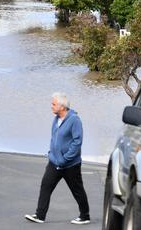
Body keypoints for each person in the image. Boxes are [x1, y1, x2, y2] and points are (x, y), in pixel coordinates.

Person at [25, 92, 90, 225]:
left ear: (62, 106)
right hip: (54, 162)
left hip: (70, 164)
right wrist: (51, 154)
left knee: (77, 190)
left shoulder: (74, 120)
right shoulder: (56, 119)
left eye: (54, 104)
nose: (51, 106)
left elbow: (77, 142)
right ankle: (40, 215)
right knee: (46, 186)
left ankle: (85, 216)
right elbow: (54, 138)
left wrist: (65, 158)